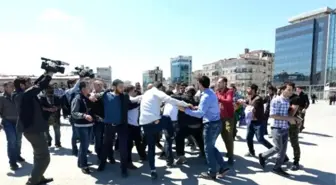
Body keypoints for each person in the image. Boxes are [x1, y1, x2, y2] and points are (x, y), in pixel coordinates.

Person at [179, 76, 229, 180]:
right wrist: (197, 107)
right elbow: (206, 108)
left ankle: (212, 172)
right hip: (217, 123)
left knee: (208, 148)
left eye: (198, 83)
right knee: (211, 147)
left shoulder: (205, 96)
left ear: (200, 84)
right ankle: (223, 167)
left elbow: (200, 114)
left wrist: (186, 111)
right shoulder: (211, 93)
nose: (197, 85)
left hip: (210, 125)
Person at [139, 81, 190, 180]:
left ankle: (152, 170)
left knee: (151, 148)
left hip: (145, 124)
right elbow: (170, 99)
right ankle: (171, 135)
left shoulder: (146, 93)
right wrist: (185, 104)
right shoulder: (156, 91)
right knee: (166, 118)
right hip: (154, 122)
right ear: (161, 87)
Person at [91, 79, 140, 178]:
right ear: (114, 87)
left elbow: (130, 105)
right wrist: (93, 96)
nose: (122, 89)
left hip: (122, 125)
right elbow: (94, 99)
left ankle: (124, 169)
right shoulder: (106, 95)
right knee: (106, 145)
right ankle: (102, 164)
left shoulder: (124, 96)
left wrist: (141, 102)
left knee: (123, 148)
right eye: (120, 87)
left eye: (123, 87)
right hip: (109, 125)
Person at [258, 82, 301, 177]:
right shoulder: (276, 100)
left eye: (292, 90)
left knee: (283, 150)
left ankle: (277, 168)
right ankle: (263, 156)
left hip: (285, 127)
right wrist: (289, 119)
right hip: (276, 128)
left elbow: (287, 115)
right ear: (282, 90)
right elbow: (272, 115)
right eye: (288, 90)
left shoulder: (287, 101)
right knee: (278, 148)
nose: (290, 92)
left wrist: (295, 118)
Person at [18, 72, 54, 185]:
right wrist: (49, 75)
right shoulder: (23, 94)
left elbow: (36, 85)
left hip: (36, 129)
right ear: (22, 86)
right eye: (28, 83)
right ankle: (33, 181)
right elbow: (39, 86)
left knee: (38, 156)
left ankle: (38, 177)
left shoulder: (28, 94)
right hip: (32, 131)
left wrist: (45, 73)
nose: (32, 84)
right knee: (44, 157)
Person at [242, 84, 273, 157]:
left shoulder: (258, 99)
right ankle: (251, 151)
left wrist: (243, 104)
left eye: (248, 88)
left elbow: (251, 108)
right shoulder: (249, 97)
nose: (247, 90)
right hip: (251, 121)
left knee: (260, 139)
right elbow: (246, 102)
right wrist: (241, 102)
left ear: (253, 90)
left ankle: (275, 150)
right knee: (248, 138)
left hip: (258, 122)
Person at [0, 81, 25, 170]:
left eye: (13, 86)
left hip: (18, 121)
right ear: (5, 87)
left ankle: (17, 155)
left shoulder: (16, 96)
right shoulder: (1, 98)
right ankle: (12, 162)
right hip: (8, 122)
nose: (12, 87)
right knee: (12, 141)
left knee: (18, 140)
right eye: (10, 86)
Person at [71, 81, 94, 174]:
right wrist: (84, 116)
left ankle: (81, 162)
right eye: (89, 87)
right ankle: (84, 165)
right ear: (83, 89)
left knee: (85, 145)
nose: (90, 88)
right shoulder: (78, 98)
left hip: (89, 125)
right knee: (84, 146)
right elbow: (74, 112)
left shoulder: (87, 97)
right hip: (81, 125)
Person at [216, 77, 234, 164]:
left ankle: (231, 157)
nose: (218, 84)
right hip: (219, 118)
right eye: (218, 82)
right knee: (220, 137)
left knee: (228, 138)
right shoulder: (217, 92)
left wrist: (218, 97)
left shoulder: (229, 91)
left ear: (225, 83)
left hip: (228, 119)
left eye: (220, 82)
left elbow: (229, 101)